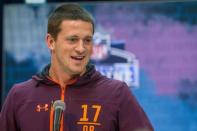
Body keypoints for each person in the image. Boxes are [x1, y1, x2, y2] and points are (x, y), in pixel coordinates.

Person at [0, 3, 154, 131]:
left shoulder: (117, 93)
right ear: (51, 42)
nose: (81, 48)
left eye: (87, 40)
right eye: (73, 39)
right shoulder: (19, 96)